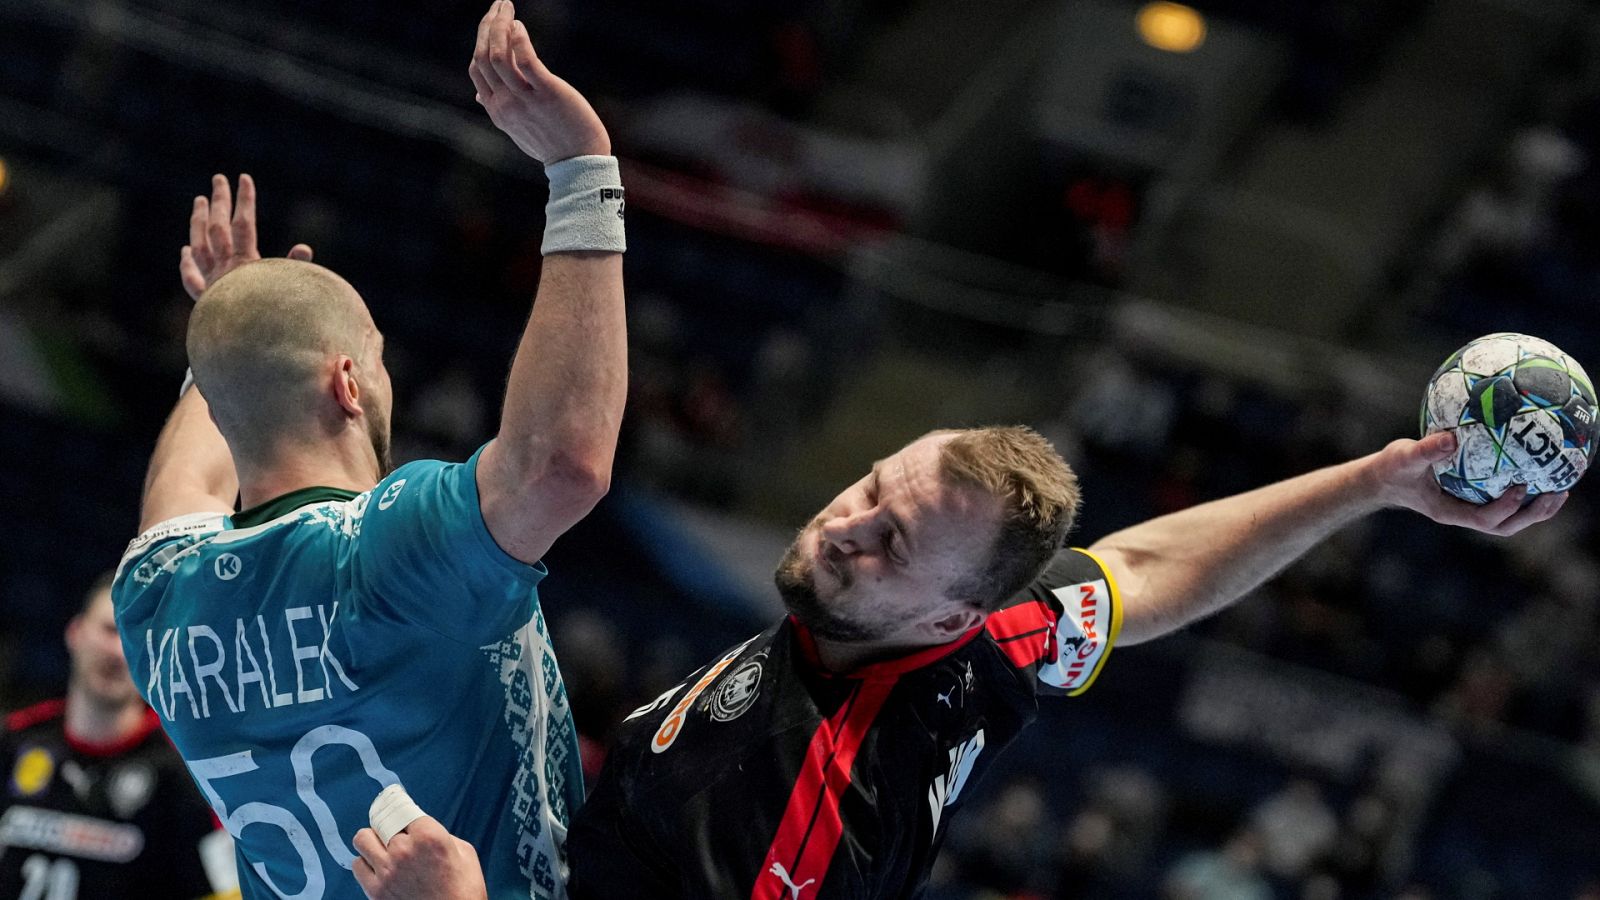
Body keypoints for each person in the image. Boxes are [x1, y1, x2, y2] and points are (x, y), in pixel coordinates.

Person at [355, 423, 1563, 900]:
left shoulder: (803, 803)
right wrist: (1377, 484)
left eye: (890, 544)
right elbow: (1145, 573)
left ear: (946, 620)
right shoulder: (991, 637)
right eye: (872, 488)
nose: (848, 526)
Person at [109, 3, 626, 898]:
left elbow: (186, 478)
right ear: (349, 384)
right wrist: (582, 176)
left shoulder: (156, 599)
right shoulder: (383, 549)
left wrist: (226, 341)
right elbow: (561, 464)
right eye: (378, 359)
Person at [1, 574, 237, 900]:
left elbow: (229, 890)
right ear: (75, 633)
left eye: (134, 637)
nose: (118, 651)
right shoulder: (13, 741)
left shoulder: (187, 772)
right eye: (110, 631)